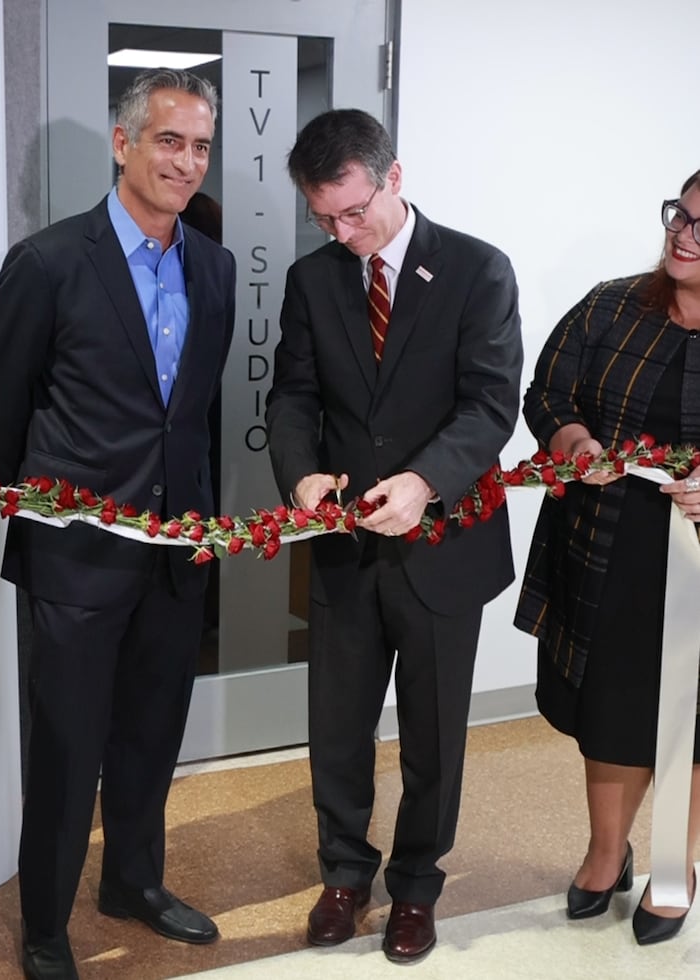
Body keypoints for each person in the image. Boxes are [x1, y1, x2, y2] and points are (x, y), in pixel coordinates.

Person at [0, 68, 235, 980]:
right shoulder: (48, 261)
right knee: (65, 750)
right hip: (75, 559)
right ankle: (45, 924)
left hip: (175, 554)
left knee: (150, 733)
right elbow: (0, 406)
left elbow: (193, 415)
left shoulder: (214, 263)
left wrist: (196, 521)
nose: (187, 162)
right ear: (123, 144)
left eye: (201, 145)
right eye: (170, 141)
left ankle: (134, 882)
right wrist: (57, 511)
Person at [265, 108, 522, 964]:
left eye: (354, 211)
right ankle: (344, 872)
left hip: (442, 544)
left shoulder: (477, 270)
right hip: (345, 546)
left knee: (434, 735)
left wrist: (423, 483)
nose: (343, 232)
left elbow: (490, 403)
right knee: (336, 728)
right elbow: (293, 397)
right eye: (324, 217)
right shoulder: (314, 279)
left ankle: (416, 888)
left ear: (394, 178)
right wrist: (299, 472)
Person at [514, 168, 700, 945]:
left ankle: (676, 864)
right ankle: (605, 851)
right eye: (680, 216)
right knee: (613, 705)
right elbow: (548, 393)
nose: (682, 235)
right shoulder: (611, 305)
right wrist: (573, 441)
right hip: (611, 543)